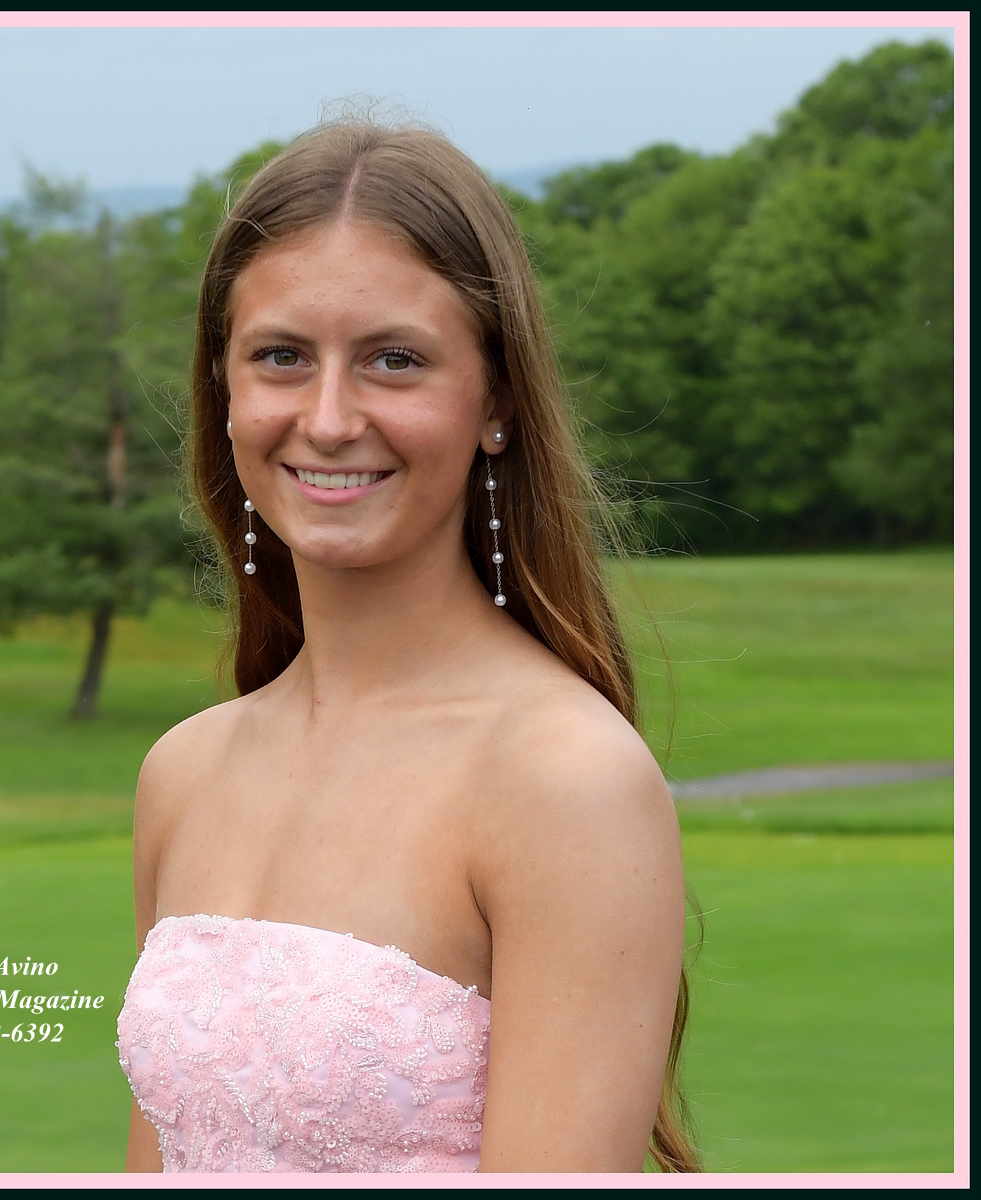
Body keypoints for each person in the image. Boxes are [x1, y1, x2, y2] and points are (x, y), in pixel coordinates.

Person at [117, 120, 696, 1174]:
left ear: (497, 401)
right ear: (226, 392)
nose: (331, 418)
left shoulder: (567, 780)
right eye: (282, 357)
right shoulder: (183, 772)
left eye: (394, 360)